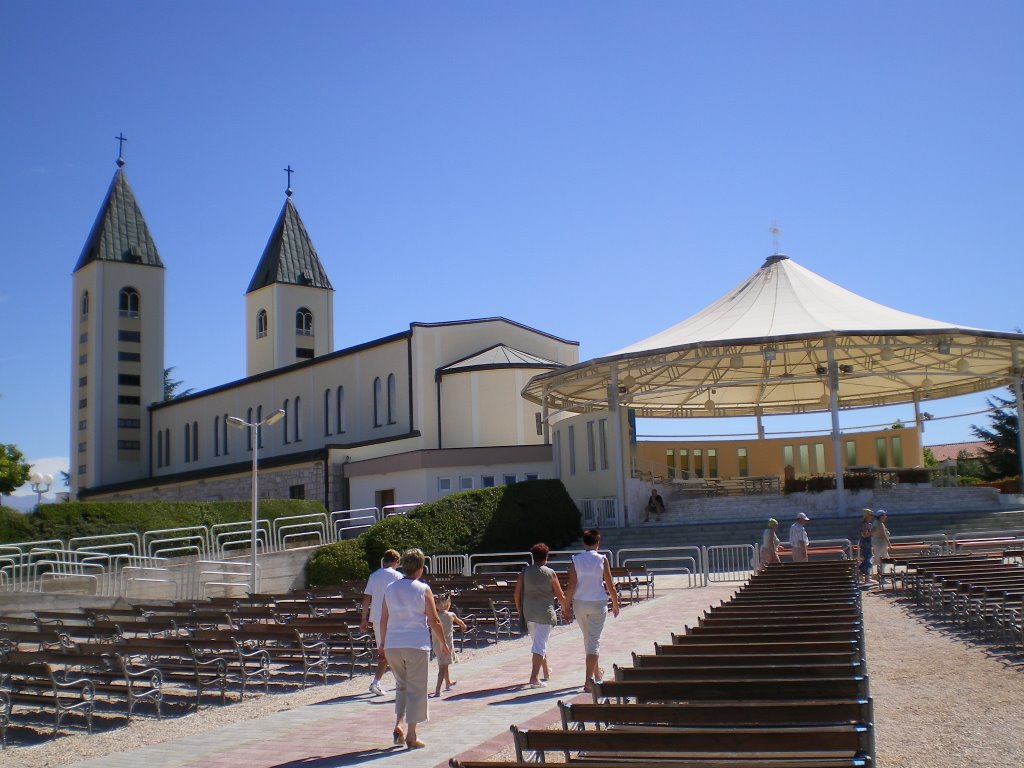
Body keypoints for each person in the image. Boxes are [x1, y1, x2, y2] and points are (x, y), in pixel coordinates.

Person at [378, 548, 448, 750]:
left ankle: (399, 722)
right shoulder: (423, 588)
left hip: (393, 643)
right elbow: (434, 620)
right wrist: (443, 642)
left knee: (402, 686)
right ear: (421, 568)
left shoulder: (390, 588)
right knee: (417, 689)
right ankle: (411, 734)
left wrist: (382, 643)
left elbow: (384, 618)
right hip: (415, 643)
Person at [563, 529, 620, 692]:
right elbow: (609, 584)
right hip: (598, 602)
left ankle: (597, 673)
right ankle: (588, 680)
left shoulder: (576, 560)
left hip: (580, 602)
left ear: (584, 543)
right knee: (593, 640)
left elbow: (572, 585)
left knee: (589, 639)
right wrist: (615, 603)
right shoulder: (602, 559)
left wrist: (566, 606)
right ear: (598, 542)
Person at [514, 542, 569, 688]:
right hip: (545, 612)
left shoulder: (524, 572)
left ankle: (545, 671)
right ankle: (534, 677)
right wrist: (565, 608)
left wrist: (520, 611)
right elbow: (560, 594)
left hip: (529, 612)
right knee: (540, 645)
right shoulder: (550, 573)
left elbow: (516, 594)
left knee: (538, 643)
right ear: (546, 557)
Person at [360, 548, 402, 695]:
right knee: (393, 650)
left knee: (385, 650)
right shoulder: (398, 576)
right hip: (393, 617)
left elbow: (366, 598)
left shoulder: (374, 575)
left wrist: (363, 618)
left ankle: (398, 681)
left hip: (377, 618)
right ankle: (377, 682)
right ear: (395, 561)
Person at [431, 592, 467, 697]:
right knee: (442, 667)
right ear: (447, 604)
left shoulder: (434, 616)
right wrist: (464, 626)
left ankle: (447, 683)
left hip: (436, 645)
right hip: (446, 645)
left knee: (444, 664)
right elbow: (460, 622)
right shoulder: (450, 615)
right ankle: (437, 689)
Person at [872, 509, 891, 581]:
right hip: (881, 544)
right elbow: (884, 535)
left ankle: (879, 573)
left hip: (877, 544)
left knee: (882, 559)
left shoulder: (875, 522)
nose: (886, 517)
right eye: (884, 515)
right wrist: (890, 545)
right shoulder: (880, 524)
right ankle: (879, 574)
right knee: (882, 559)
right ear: (881, 516)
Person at [857, 509, 875, 585]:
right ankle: (862, 575)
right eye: (870, 515)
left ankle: (865, 576)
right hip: (865, 544)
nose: (872, 517)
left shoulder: (868, 524)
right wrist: (873, 531)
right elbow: (864, 535)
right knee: (867, 559)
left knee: (867, 559)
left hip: (868, 543)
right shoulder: (864, 524)